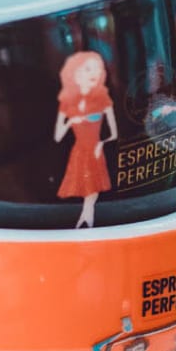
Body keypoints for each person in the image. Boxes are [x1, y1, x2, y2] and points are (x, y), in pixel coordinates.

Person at [54, 50, 117, 228]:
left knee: (94, 184)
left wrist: (102, 144)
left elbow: (114, 133)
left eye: (98, 70)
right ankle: (85, 217)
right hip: (78, 150)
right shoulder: (67, 101)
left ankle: (87, 215)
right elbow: (58, 137)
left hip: (95, 148)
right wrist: (69, 122)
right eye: (89, 69)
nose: (95, 74)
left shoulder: (102, 98)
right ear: (76, 73)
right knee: (83, 185)